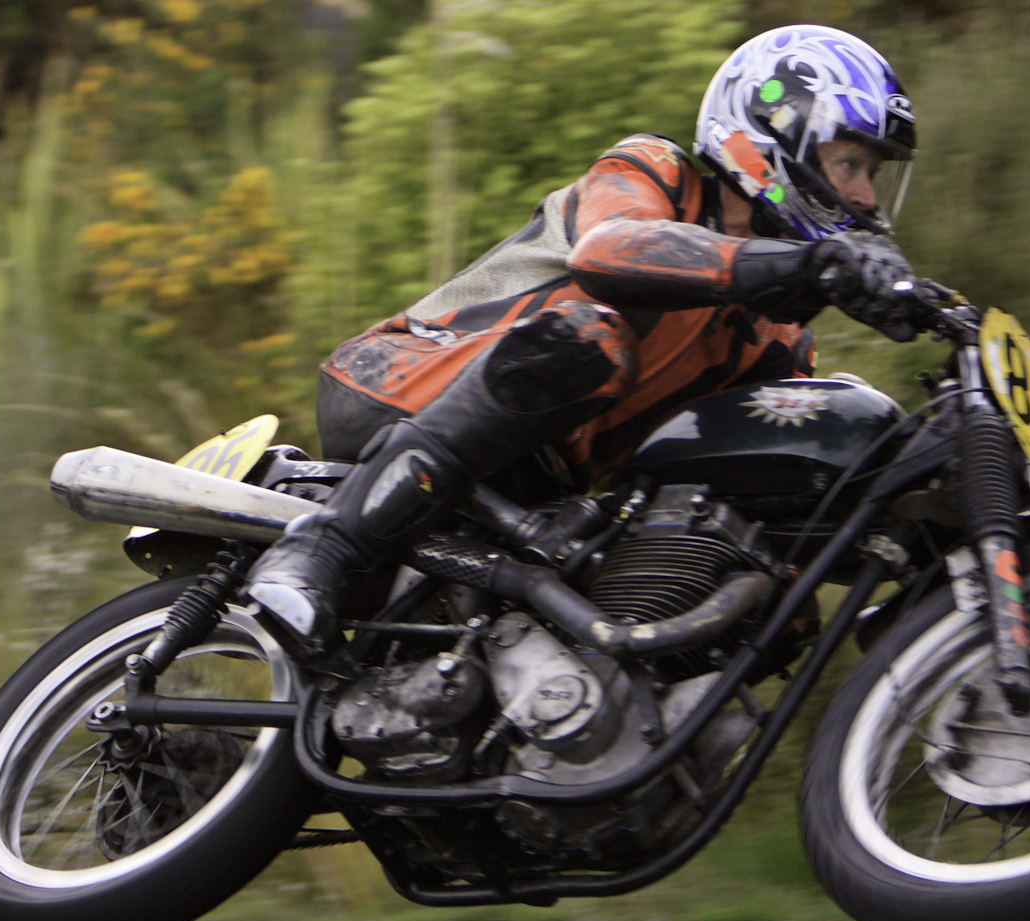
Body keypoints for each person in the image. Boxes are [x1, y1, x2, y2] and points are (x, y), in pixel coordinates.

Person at [246, 24, 922, 650]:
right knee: (587, 336)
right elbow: (610, 252)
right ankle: (322, 549)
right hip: (400, 383)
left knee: (758, 591)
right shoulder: (656, 170)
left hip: (533, 489)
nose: (865, 198)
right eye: (850, 165)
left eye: (874, 175)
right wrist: (805, 265)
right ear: (778, 137)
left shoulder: (779, 343)